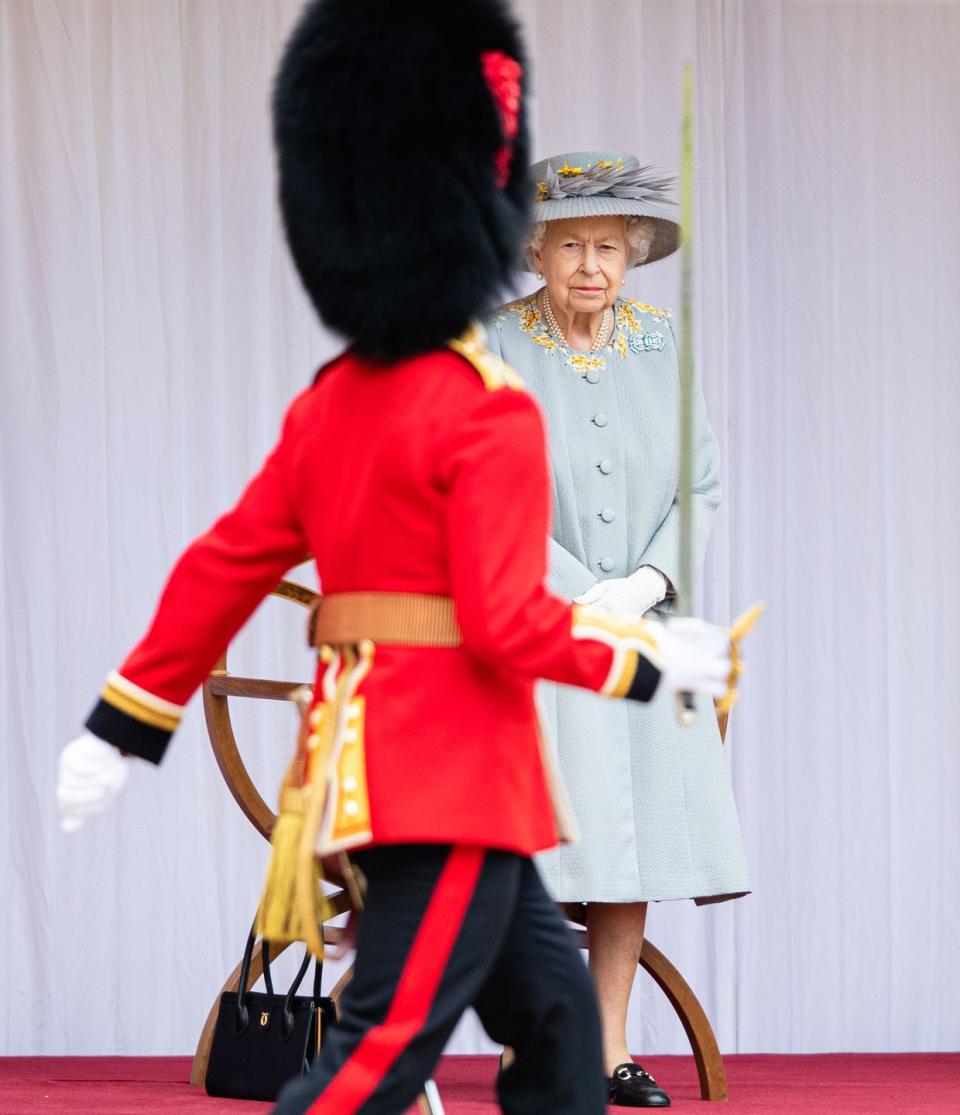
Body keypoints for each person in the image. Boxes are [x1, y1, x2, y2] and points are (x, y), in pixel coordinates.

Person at [54, 11, 737, 1113]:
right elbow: (507, 622)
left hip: (382, 772)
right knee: (376, 1062)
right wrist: (655, 661)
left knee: (562, 1040)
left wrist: (124, 720)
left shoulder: (331, 404)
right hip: (453, 781)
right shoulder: (492, 412)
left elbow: (220, 565)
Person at [483, 151, 751, 1109]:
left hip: (644, 630)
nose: (590, 265)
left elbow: (699, 481)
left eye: (607, 246)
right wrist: (569, 591)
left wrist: (644, 583)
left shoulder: (660, 342)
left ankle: (605, 1047)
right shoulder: (493, 345)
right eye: (570, 247)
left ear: (630, 254)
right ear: (535, 253)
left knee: (628, 839)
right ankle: (533, 1038)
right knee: (542, 838)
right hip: (532, 629)